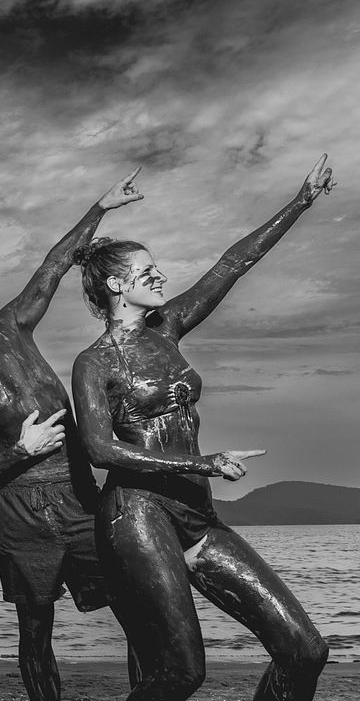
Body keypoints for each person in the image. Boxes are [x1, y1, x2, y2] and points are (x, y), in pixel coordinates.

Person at [69, 157, 335, 701]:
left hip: (196, 513)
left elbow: (231, 264)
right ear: (118, 285)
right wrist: (204, 462)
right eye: (148, 272)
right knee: (181, 672)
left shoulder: (167, 328)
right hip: (137, 515)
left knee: (304, 649)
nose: (161, 277)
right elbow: (99, 449)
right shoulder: (94, 362)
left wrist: (301, 201)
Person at [0, 169, 144, 701]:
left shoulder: (10, 325)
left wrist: (101, 207)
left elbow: (54, 265)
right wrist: (20, 451)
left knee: (134, 607)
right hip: (18, 509)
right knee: (35, 630)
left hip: (78, 491)